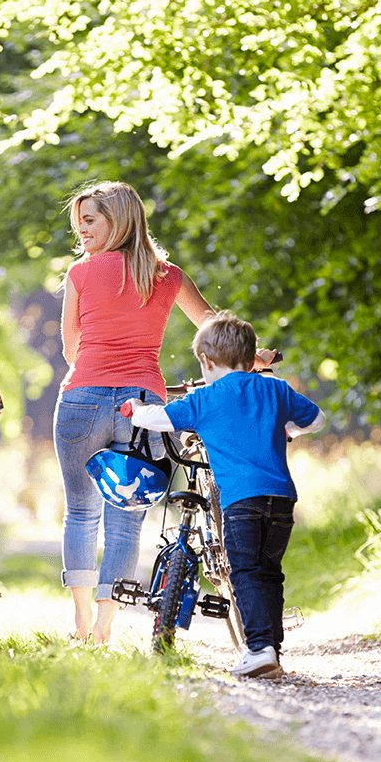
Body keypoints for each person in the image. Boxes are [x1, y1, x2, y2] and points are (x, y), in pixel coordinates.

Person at [55, 180, 275, 644]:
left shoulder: (80, 274)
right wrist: (258, 360)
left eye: (90, 221)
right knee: (126, 515)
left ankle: (78, 621)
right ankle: (103, 627)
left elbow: (71, 349)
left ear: (118, 220)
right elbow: (215, 330)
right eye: (80, 225)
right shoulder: (168, 276)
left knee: (80, 511)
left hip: (81, 399)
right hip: (142, 405)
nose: (82, 234)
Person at [124, 311, 324, 678]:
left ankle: (260, 648)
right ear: (252, 360)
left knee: (245, 572)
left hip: (240, 502)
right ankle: (271, 647)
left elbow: (161, 419)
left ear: (206, 361)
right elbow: (316, 419)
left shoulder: (207, 398)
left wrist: (136, 411)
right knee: (269, 571)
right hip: (281, 499)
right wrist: (288, 430)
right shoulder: (275, 389)